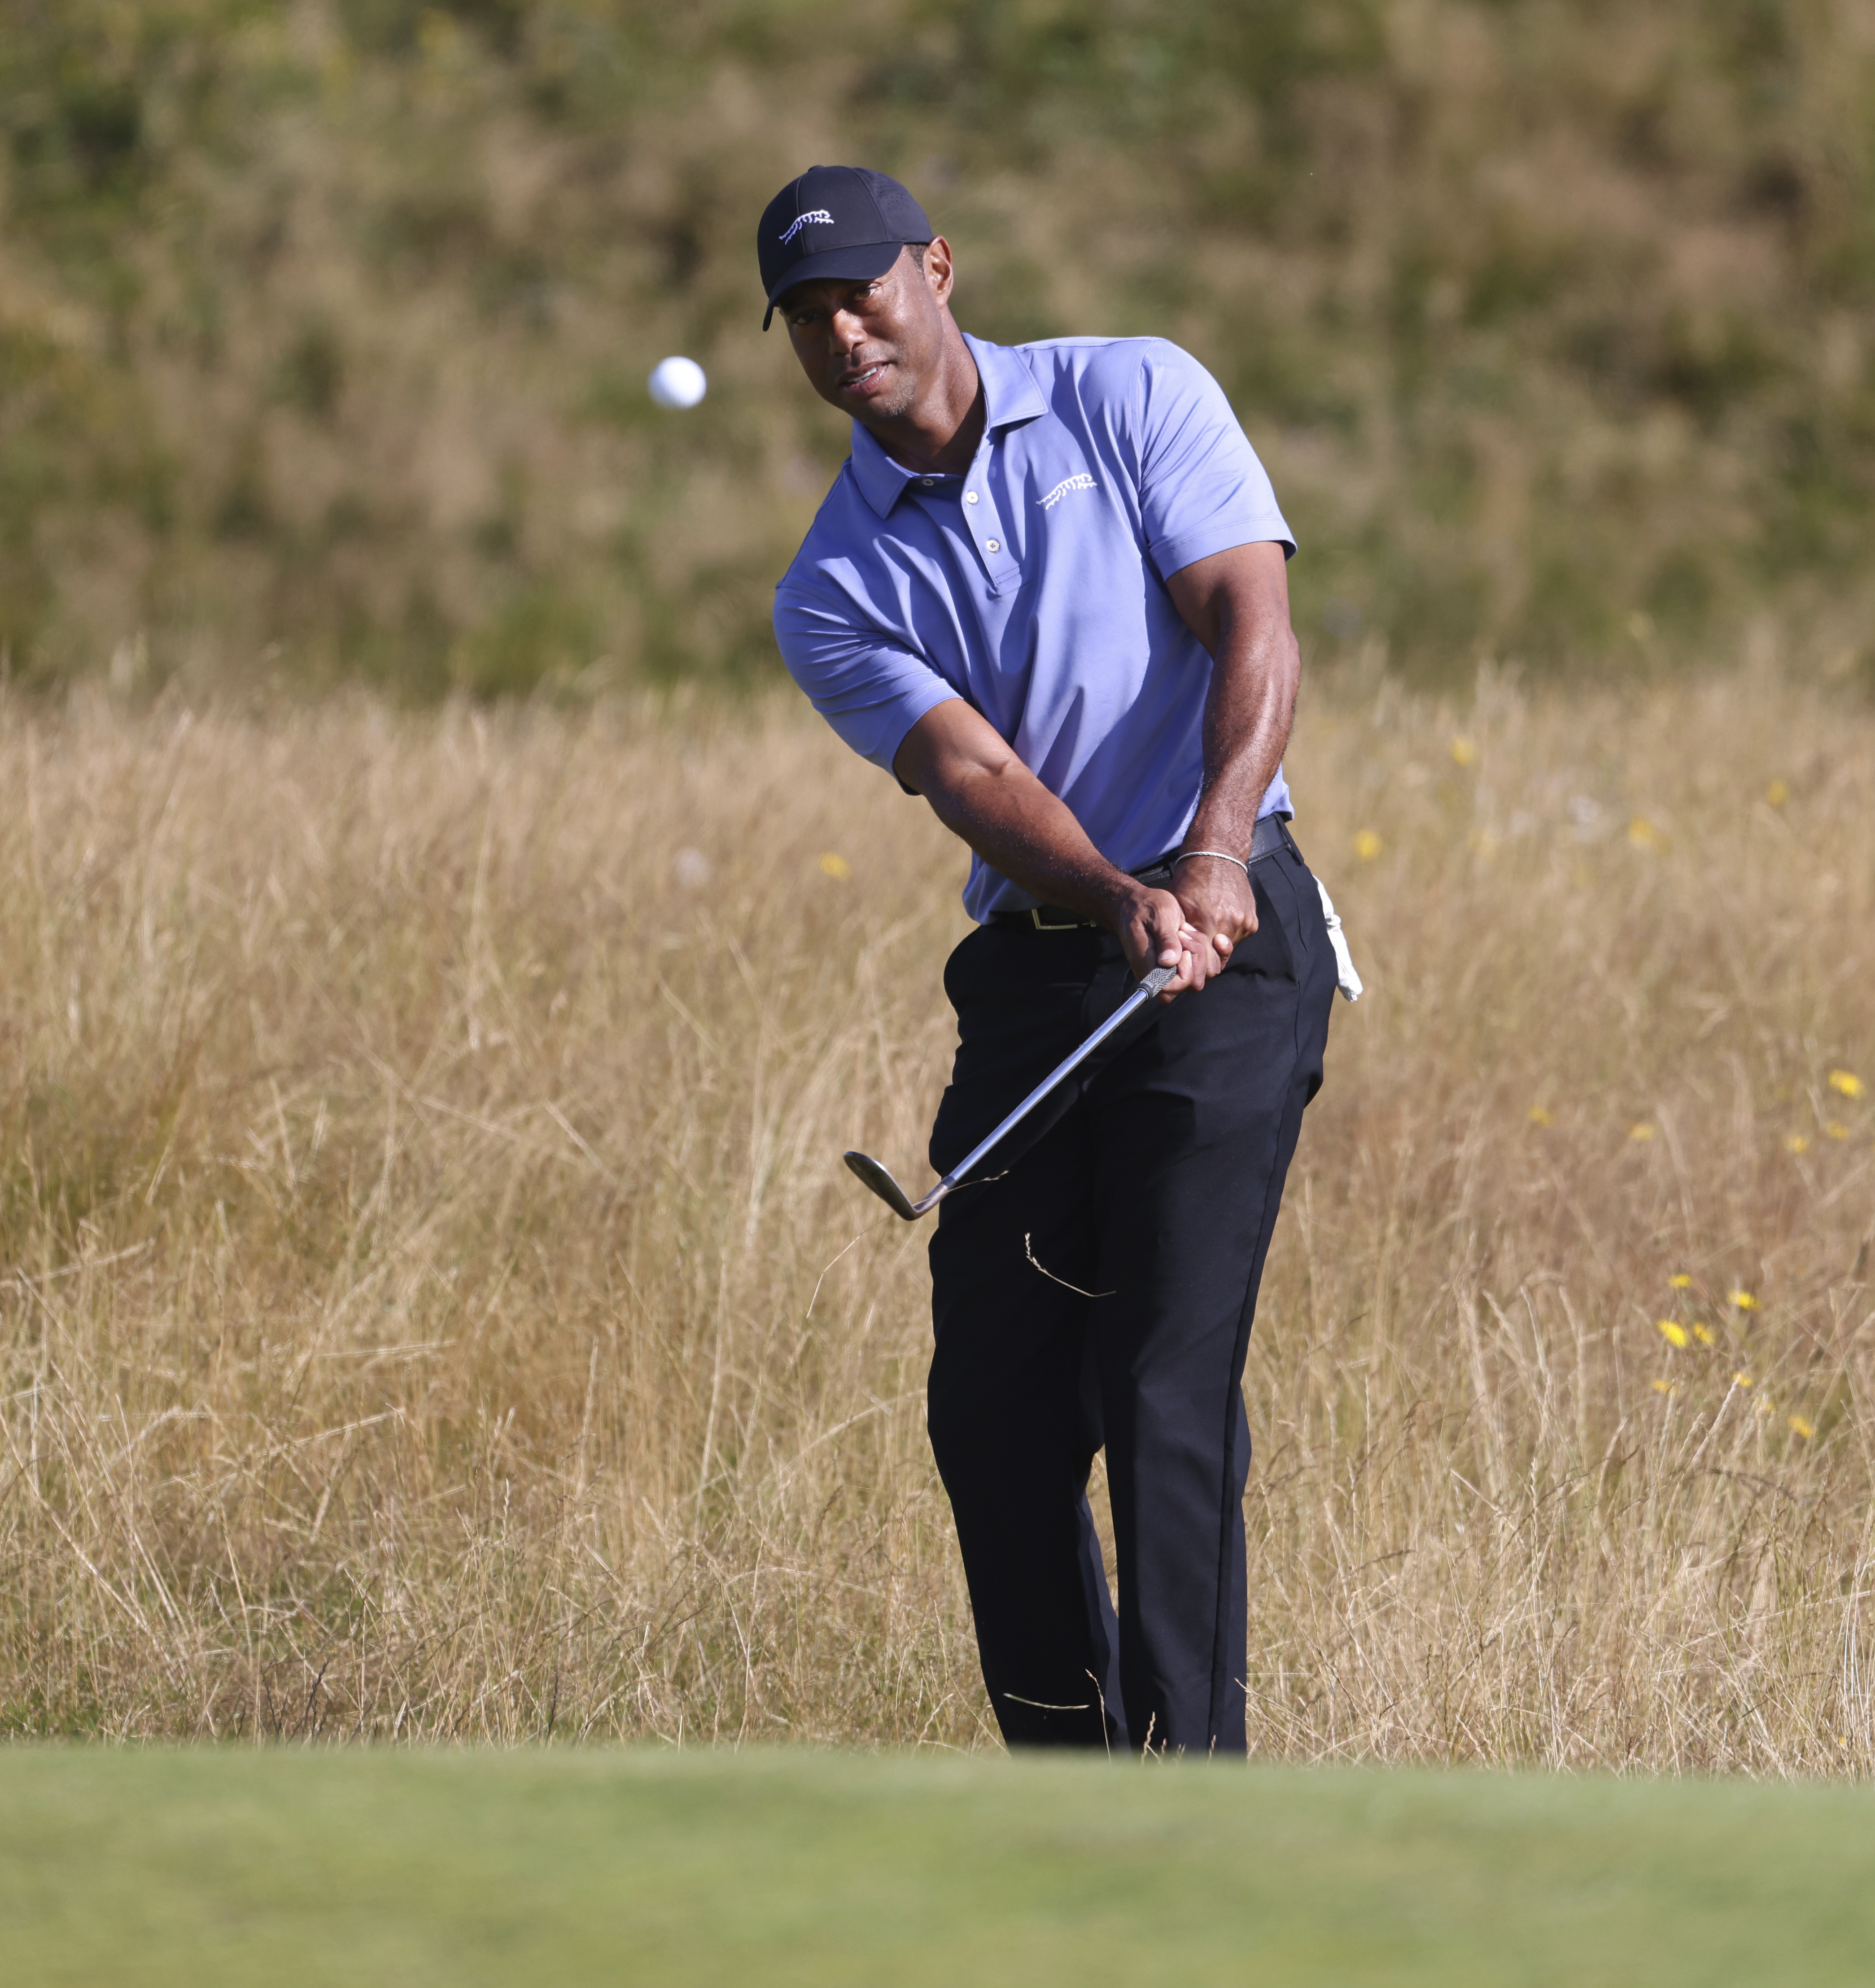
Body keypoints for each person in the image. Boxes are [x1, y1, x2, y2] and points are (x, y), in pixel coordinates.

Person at [759, 165, 1344, 1756]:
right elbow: (975, 781)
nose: (843, 331)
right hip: (1048, 968)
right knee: (996, 1421)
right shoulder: (831, 588)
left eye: (862, 291)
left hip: (1236, 941)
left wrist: (1212, 853)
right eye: (806, 317)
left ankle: (1189, 1802)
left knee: (1162, 1381)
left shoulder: (1131, 392)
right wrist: (1111, 898)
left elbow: (1254, 623)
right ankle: (1068, 1791)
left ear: (937, 269)